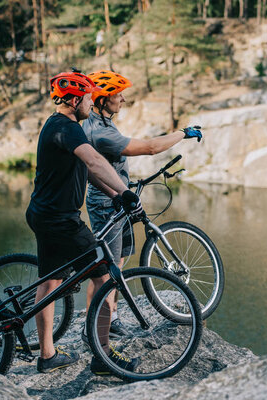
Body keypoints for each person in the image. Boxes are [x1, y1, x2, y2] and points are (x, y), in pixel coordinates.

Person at [26, 69, 142, 375]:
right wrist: (126, 190)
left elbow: (87, 170)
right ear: (76, 98)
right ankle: (103, 357)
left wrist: (115, 194)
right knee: (104, 277)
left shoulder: (58, 125)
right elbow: (94, 161)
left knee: (50, 281)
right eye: (88, 97)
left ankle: (47, 355)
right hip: (62, 220)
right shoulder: (68, 128)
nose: (91, 103)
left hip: (44, 214)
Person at [80, 69, 202, 341]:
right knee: (104, 270)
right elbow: (149, 147)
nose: (122, 100)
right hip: (106, 203)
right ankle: (93, 330)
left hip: (115, 198)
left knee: (117, 262)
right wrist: (182, 133)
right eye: (117, 95)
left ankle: (108, 318)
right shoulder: (100, 131)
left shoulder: (100, 122)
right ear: (102, 100)